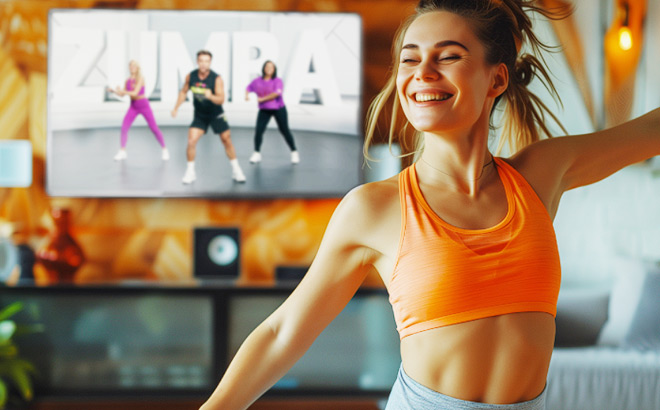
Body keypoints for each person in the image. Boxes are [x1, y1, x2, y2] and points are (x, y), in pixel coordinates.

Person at [199, 1, 660, 409]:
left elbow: (647, 133)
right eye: (410, 60)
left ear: (495, 77)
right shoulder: (373, 209)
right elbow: (282, 334)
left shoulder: (540, 174)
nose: (422, 73)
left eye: (448, 57)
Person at [171, 50, 246, 184]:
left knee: (226, 139)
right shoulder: (191, 76)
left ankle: (236, 169)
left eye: (207, 61)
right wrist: (176, 107)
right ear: (197, 62)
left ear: (210, 62)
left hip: (216, 114)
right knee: (191, 141)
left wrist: (211, 96)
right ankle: (190, 172)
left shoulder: (216, 79)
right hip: (200, 115)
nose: (204, 64)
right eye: (201, 61)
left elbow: (221, 99)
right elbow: (183, 92)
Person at [107, 60, 169, 161]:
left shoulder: (140, 78)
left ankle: (164, 149)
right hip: (133, 106)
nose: (132, 67)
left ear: (137, 68)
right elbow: (123, 94)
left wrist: (123, 91)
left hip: (143, 105)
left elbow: (135, 93)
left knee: (153, 128)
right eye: (130, 66)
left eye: (134, 66)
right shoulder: (127, 80)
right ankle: (122, 151)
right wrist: (114, 91)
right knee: (124, 127)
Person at [245, 60, 300, 164]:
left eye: (271, 67)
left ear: (274, 69)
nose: (269, 69)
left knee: (284, 130)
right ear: (263, 68)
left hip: (278, 109)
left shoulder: (278, 81)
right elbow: (248, 87)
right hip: (264, 110)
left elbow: (276, 94)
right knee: (259, 131)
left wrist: (262, 99)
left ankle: (294, 152)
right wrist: (246, 95)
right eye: (267, 67)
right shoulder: (257, 81)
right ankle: (256, 153)